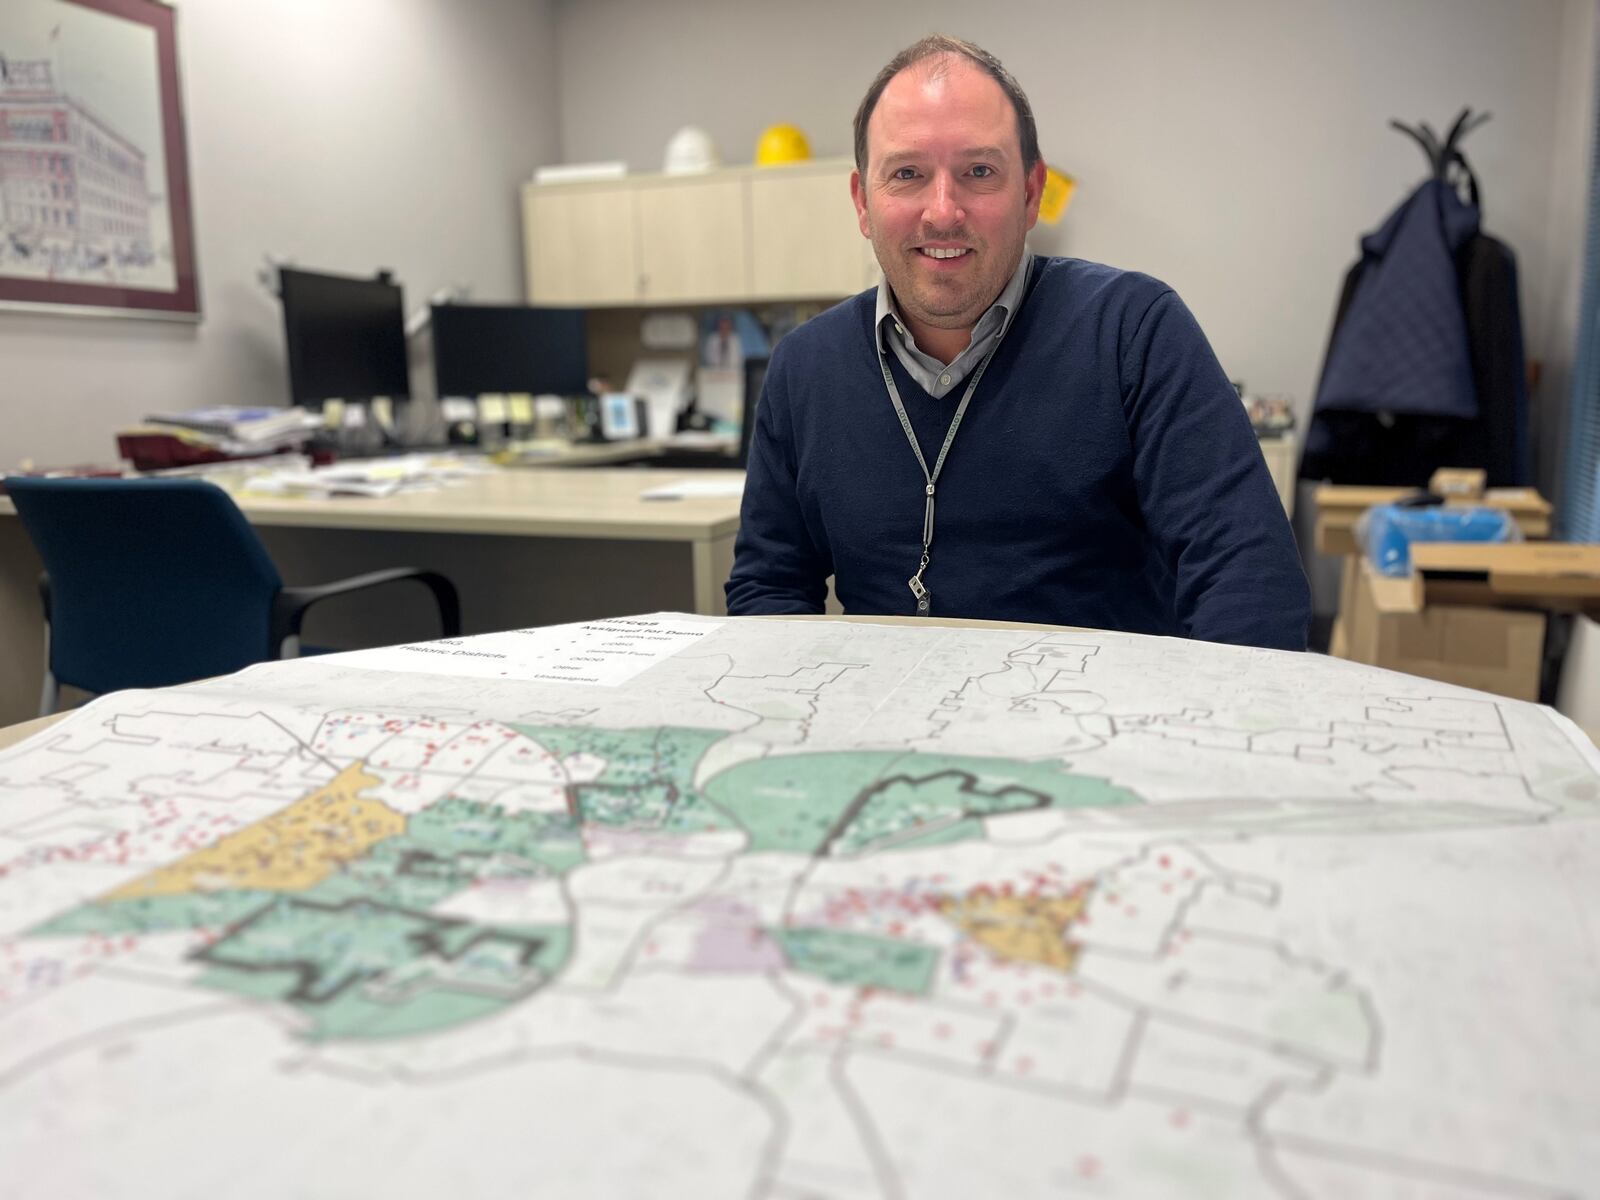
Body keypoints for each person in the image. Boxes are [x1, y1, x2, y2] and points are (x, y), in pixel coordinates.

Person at [725, 35, 1311, 650]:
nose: (943, 211)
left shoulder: (1134, 330)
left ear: (1031, 192)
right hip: (887, 728)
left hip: (1099, 728)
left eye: (979, 171)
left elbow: (1249, 583)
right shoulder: (804, 368)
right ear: (863, 203)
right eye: (907, 174)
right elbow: (768, 589)